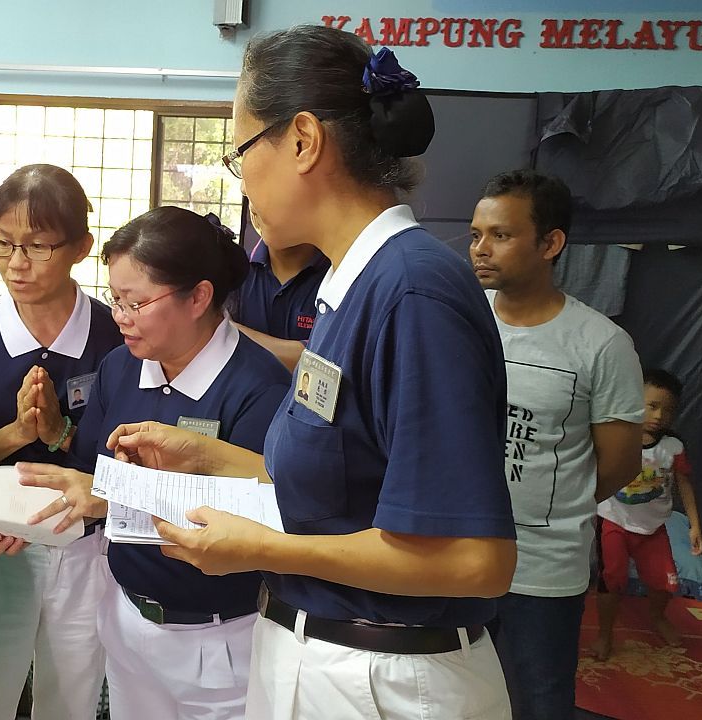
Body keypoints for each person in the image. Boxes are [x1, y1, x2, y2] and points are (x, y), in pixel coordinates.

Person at [95, 27, 518, 720]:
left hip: (385, 679)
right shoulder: (351, 289)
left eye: (240, 153)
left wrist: (264, 548)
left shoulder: (413, 292)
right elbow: (344, 483)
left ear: (302, 140)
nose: (242, 182)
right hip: (320, 659)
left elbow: (477, 561)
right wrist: (211, 457)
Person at [16, 206, 291, 720]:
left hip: (220, 641)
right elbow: (92, 473)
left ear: (199, 297)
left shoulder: (258, 387)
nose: (119, 316)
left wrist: (112, 492)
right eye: (114, 299)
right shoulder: (121, 366)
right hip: (127, 621)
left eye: (136, 302)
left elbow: (257, 519)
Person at [0, 165, 122, 720]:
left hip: (86, 550)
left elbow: (129, 455)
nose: (16, 263)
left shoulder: (116, 338)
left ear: (81, 247)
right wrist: (15, 434)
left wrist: (62, 433)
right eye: (2, 243)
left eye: (37, 246)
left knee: (73, 698)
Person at [469, 169, 644, 720]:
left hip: (540, 572)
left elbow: (616, 466)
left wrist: (551, 503)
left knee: (537, 704)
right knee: (454, 699)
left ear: (551, 243)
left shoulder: (601, 344)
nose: (481, 249)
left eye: (500, 235)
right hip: (454, 556)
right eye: (476, 235)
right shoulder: (459, 320)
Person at [592, 368, 702, 660]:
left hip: (653, 529)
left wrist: (694, 525)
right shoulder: (616, 437)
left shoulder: (672, 447)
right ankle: (605, 634)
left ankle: (658, 615)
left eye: (667, 410)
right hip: (613, 521)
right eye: (652, 406)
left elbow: (684, 484)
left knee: (664, 582)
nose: (658, 416)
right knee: (611, 579)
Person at [229, 202, 329, 370]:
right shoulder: (234, 271)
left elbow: (325, 364)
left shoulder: (339, 275)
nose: (246, 190)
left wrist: (229, 333)